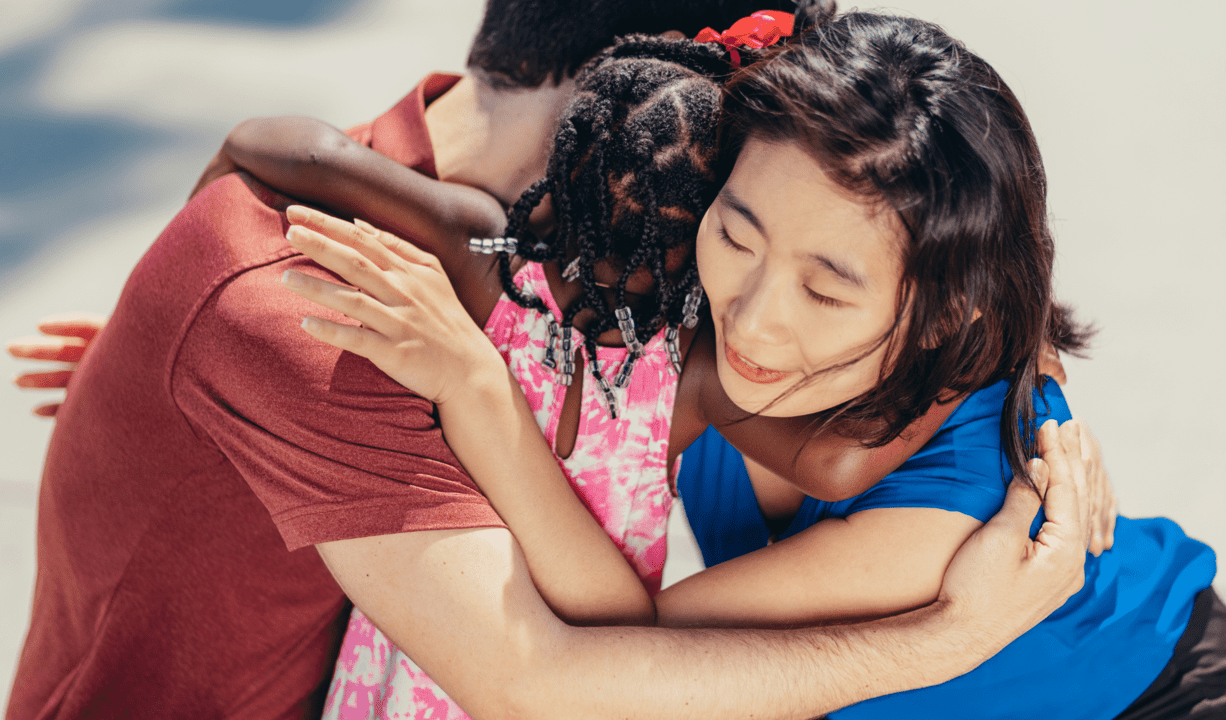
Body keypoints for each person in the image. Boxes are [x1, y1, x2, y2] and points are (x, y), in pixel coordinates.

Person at [2, 1, 1100, 719]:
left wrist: (1016, 376)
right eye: (728, 188)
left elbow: (283, 157)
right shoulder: (339, 298)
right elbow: (539, 681)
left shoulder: (520, 253)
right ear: (618, 95)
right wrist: (951, 632)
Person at [275, 9, 1222, 720]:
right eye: (738, 232)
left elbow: (619, 663)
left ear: (945, 313)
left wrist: (478, 393)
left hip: (1151, 692)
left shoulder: (956, 522)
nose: (754, 326)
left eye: (827, 291)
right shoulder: (689, 271)